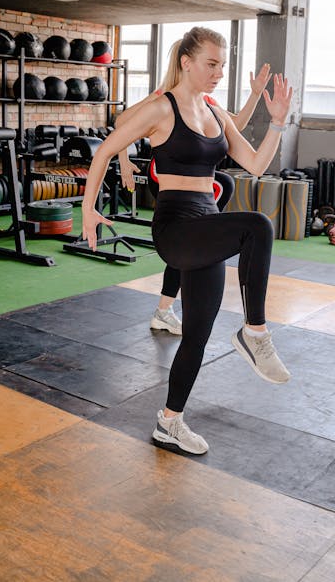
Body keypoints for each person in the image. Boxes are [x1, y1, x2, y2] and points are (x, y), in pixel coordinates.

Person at [82, 26, 292, 456]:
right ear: (186, 62)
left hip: (205, 225)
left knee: (196, 333)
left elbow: (254, 164)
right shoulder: (162, 108)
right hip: (176, 228)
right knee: (258, 226)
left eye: (222, 65)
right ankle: (255, 333)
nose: (218, 72)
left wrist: (277, 123)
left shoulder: (216, 113)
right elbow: (105, 149)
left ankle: (169, 422)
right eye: (211, 64)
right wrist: (88, 209)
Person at [117, 60, 273, 335]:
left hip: (196, 189)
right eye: (209, 64)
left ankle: (165, 307)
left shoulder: (205, 100)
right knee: (222, 187)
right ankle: (166, 305)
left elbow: (233, 124)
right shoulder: (165, 96)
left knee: (224, 184)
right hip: (166, 177)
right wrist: (123, 158)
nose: (216, 73)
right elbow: (121, 122)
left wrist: (256, 94)